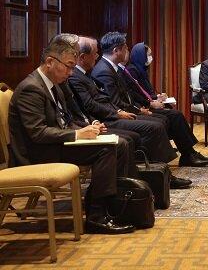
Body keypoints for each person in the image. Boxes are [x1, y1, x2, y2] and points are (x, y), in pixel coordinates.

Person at [8, 34, 134, 234]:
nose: (71, 72)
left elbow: (65, 120)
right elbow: (38, 133)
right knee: (106, 150)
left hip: (53, 145)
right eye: (68, 66)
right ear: (50, 62)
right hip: (36, 154)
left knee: (118, 143)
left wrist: (88, 128)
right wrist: (77, 135)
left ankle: (113, 205)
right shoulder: (31, 88)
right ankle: (96, 216)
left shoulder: (53, 84)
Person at [68, 36, 192, 189]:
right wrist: (116, 113)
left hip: (109, 115)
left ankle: (157, 174)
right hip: (106, 119)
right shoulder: (88, 74)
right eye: (94, 53)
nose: (97, 56)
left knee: (158, 123)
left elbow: (104, 99)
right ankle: (158, 176)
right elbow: (90, 104)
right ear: (82, 57)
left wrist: (121, 110)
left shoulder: (86, 73)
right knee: (154, 127)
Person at [92, 32, 208, 167]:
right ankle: (160, 167)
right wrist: (140, 110)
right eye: (125, 48)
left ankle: (187, 154)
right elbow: (116, 102)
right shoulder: (104, 71)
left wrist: (142, 107)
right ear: (116, 50)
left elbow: (127, 96)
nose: (127, 51)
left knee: (172, 116)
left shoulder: (112, 69)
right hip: (116, 116)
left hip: (128, 110)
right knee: (161, 122)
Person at [119, 43, 208, 164]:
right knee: (175, 116)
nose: (150, 57)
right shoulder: (132, 70)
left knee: (174, 114)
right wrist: (150, 103)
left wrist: (157, 97)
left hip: (147, 104)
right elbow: (134, 94)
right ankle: (188, 154)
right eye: (148, 55)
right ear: (141, 56)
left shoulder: (140, 70)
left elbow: (144, 91)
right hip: (141, 107)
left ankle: (189, 153)